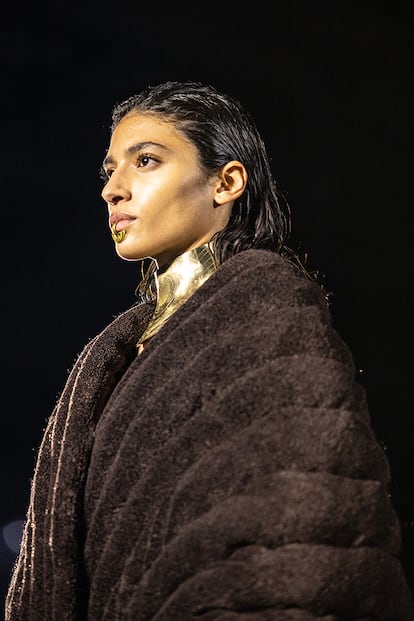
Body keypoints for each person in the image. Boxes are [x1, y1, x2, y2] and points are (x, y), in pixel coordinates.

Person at [5, 80, 413, 621]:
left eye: (145, 161)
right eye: (110, 170)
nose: (113, 189)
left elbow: (303, 530)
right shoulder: (123, 349)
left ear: (225, 182)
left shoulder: (269, 314)